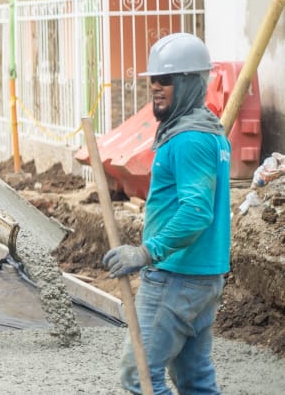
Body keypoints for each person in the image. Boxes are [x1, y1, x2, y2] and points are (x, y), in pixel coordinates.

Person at [102, 32, 230, 394]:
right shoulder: (210, 133)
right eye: (153, 80)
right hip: (202, 276)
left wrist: (145, 253)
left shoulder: (190, 139)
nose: (156, 88)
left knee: (139, 375)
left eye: (166, 81)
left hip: (177, 275)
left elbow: (196, 212)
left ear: (189, 83)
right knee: (194, 377)